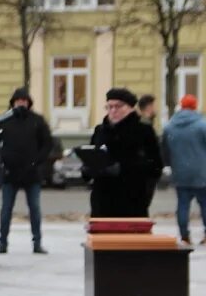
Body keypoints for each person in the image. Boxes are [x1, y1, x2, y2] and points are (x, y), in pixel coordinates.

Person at [84, 88, 163, 218]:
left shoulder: (144, 131)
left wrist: (123, 168)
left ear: (131, 107)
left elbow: (155, 166)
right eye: (109, 107)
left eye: (118, 106)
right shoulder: (100, 130)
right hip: (102, 202)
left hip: (132, 201)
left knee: (129, 238)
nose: (113, 111)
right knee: (102, 238)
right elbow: (92, 155)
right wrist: (87, 169)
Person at [0, 87, 52, 255]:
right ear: (13, 103)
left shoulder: (37, 120)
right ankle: (2, 243)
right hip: (9, 173)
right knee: (6, 210)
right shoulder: (5, 121)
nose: (21, 103)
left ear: (29, 103)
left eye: (24, 101)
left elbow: (47, 144)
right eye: (18, 101)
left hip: (31, 173)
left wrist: (37, 162)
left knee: (34, 209)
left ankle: (37, 242)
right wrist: (2, 161)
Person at [162, 94, 206, 244]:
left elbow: (165, 150)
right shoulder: (202, 125)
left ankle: (185, 236)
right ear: (195, 106)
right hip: (201, 172)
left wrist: (169, 164)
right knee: (205, 204)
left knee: (182, 205)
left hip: (180, 172)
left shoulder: (170, 126)